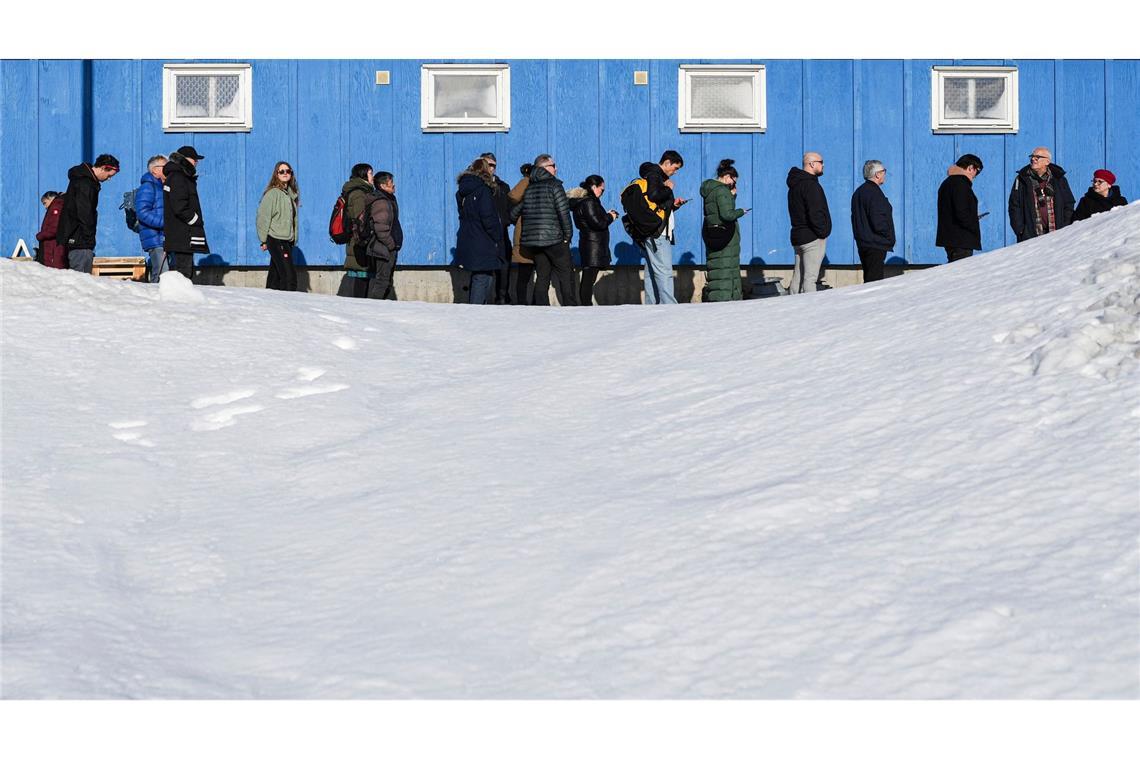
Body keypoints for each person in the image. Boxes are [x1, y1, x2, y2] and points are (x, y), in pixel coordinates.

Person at [510, 154, 577, 306]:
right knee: (566, 275)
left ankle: (541, 310)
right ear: (544, 168)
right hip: (554, 239)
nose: (556, 168)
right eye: (553, 166)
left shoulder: (530, 188)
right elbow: (563, 213)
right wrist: (568, 236)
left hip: (534, 243)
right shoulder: (554, 185)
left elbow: (513, 214)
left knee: (542, 276)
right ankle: (571, 309)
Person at [56, 154, 120, 273]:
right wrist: (89, 239)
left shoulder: (80, 179)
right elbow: (85, 213)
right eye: (109, 175)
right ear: (103, 168)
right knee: (82, 278)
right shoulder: (86, 183)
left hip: (73, 237)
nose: (108, 179)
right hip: (80, 240)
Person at [637, 150, 686, 305]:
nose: (675, 172)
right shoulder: (655, 175)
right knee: (664, 271)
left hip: (652, 231)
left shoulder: (653, 175)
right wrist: (668, 189)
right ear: (667, 162)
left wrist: (674, 205)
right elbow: (653, 195)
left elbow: (658, 205)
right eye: (675, 168)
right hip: (658, 232)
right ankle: (669, 305)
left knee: (652, 271)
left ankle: (651, 304)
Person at [455, 158, 505, 304]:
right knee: (482, 277)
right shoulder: (483, 190)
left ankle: (480, 310)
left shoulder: (462, 191)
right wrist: (497, 236)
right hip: (483, 239)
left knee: (483, 274)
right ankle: (476, 312)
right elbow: (488, 217)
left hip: (468, 236)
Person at [700, 159, 749, 301]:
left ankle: (718, 298)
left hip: (714, 234)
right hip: (726, 237)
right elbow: (727, 214)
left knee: (718, 269)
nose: (734, 184)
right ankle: (727, 300)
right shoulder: (722, 190)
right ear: (727, 177)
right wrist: (741, 211)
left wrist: (733, 196)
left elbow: (718, 211)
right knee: (726, 269)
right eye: (734, 180)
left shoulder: (710, 190)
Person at [786, 151, 831, 294]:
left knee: (798, 277)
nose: (823, 165)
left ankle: (792, 307)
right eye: (821, 162)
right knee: (810, 279)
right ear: (812, 164)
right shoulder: (811, 186)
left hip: (798, 236)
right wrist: (822, 233)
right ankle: (810, 312)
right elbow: (816, 213)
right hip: (812, 238)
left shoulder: (794, 186)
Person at [1008, 147, 1076, 242]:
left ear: (1047, 162)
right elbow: (1014, 206)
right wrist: (1021, 231)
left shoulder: (1059, 179)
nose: (1033, 159)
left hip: (1057, 234)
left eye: (1037, 157)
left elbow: (1069, 203)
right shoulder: (1022, 179)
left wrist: (1064, 226)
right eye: (1032, 157)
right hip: (1030, 235)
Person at [570, 175, 618, 306]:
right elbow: (598, 224)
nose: (602, 193)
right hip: (593, 244)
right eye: (601, 189)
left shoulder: (583, 202)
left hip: (589, 242)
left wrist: (605, 215)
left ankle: (586, 304)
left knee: (589, 276)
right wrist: (610, 216)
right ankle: (586, 305)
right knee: (589, 277)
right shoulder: (589, 202)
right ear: (593, 187)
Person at [163, 145, 209, 280]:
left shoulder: (179, 176)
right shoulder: (178, 177)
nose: (196, 162)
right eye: (195, 159)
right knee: (182, 275)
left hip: (181, 235)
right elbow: (179, 206)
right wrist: (195, 220)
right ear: (186, 159)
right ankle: (181, 301)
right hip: (182, 235)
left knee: (182, 272)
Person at [256, 161, 300, 291]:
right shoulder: (272, 194)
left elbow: (293, 220)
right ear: (276, 174)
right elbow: (263, 217)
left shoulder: (290, 195)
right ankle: (288, 305)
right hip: (276, 238)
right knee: (289, 277)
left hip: (287, 240)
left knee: (275, 275)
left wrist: (293, 239)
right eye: (282, 171)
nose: (285, 173)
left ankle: (270, 303)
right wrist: (263, 240)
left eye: (288, 171)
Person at [850, 159, 896, 283]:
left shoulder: (858, 192)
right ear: (877, 174)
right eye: (883, 171)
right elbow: (878, 220)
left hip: (864, 243)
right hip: (875, 244)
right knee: (874, 283)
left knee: (869, 278)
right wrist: (888, 236)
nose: (885, 174)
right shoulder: (874, 193)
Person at [936, 154, 984, 263]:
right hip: (961, 240)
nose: (976, 175)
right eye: (977, 171)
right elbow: (961, 213)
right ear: (970, 168)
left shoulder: (948, 183)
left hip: (951, 239)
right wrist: (973, 221)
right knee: (961, 276)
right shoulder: (960, 184)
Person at [337, 163, 376, 298]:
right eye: (371, 173)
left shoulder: (361, 191)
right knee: (362, 278)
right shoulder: (360, 194)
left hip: (357, 240)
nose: (373, 176)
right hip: (360, 242)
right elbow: (361, 220)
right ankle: (360, 310)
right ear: (363, 174)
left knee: (363, 278)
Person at [481, 152, 514, 304]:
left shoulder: (503, 186)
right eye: (487, 164)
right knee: (484, 269)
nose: (490, 168)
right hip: (483, 234)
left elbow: (509, 208)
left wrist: (506, 221)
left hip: (501, 233)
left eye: (493, 165)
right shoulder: (478, 186)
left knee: (504, 267)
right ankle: (482, 300)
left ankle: (502, 297)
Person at [364, 171, 403, 300]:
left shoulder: (389, 199)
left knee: (386, 281)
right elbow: (381, 228)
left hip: (387, 246)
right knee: (382, 281)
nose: (394, 185)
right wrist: (391, 244)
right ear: (382, 185)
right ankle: (375, 310)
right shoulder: (381, 202)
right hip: (383, 247)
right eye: (391, 183)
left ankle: (382, 310)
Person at [135, 154, 168, 282]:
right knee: (161, 275)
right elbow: (142, 212)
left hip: (163, 238)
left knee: (164, 274)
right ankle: (154, 301)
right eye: (165, 166)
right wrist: (165, 223)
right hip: (156, 238)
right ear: (154, 170)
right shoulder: (148, 187)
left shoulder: (161, 186)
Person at [507, 163, 535, 305]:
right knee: (540, 273)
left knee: (524, 273)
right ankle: (535, 303)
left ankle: (522, 304)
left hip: (526, 230)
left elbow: (513, 195)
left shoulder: (527, 180)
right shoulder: (547, 182)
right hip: (543, 233)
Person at [35, 191, 67, 269]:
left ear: (50, 198)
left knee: (53, 273)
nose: (45, 206)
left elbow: (54, 229)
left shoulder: (56, 207)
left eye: (45, 203)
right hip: (53, 249)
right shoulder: (56, 206)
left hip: (53, 249)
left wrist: (40, 235)